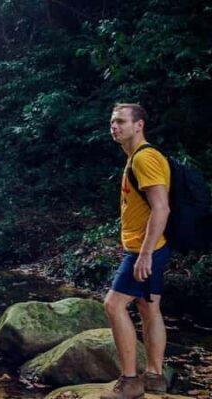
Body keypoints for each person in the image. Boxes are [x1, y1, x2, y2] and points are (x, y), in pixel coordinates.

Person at [101, 103, 171, 399]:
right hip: (152, 247)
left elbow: (161, 207)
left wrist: (143, 254)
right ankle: (154, 377)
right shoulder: (135, 158)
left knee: (114, 306)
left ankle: (130, 382)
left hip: (147, 249)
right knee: (148, 308)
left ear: (139, 125)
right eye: (112, 122)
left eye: (120, 121)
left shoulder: (145, 159)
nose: (114, 126)